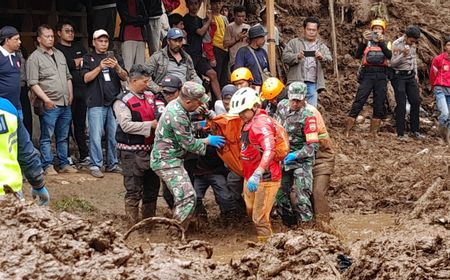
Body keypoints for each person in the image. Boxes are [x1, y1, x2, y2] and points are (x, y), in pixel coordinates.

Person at [150, 81, 226, 227]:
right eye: (198, 103)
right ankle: (177, 232)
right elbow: (189, 144)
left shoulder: (178, 106)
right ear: (188, 101)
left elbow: (186, 128)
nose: (199, 106)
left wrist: (202, 125)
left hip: (173, 159)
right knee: (187, 197)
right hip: (167, 161)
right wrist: (208, 141)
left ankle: (182, 226)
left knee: (183, 195)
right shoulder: (177, 114)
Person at [0, 27, 49, 205]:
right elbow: (27, 152)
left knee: (18, 142)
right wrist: (38, 183)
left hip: (13, 108)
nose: (20, 42)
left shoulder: (17, 58)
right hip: (9, 195)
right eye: (16, 39)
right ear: (6, 40)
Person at [229, 87, 281, 242]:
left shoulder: (261, 124)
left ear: (254, 106)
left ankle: (268, 250)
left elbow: (269, 149)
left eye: (244, 111)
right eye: (239, 112)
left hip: (265, 177)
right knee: (251, 210)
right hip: (250, 175)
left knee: (259, 217)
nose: (241, 115)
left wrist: (258, 172)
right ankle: (268, 236)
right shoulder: (247, 122)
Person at [27, 24, 78, 175]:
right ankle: (47, 165)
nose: (50, 39)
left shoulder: (59, 54)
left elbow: (68, 76)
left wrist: (71, 94)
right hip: (49, 103)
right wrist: (46, 100)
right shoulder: (34, 58)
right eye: (47, 36)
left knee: (63, 136)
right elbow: (33, 83)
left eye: (51, 36)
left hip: (64, 102)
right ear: (39, 39)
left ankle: (64, 163)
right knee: (46, 136)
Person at [113, 64, 160, 227]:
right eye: (144, 81)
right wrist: (150, 126)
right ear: (133, 81)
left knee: (152, 189)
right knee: (134, 189)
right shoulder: (122, 101)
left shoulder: (150, 96)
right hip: (130, 152)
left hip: (151, 150)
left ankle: (149, 225)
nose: (147, 84)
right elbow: (125, 125)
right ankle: (133, 225)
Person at [82, 29, 128, 178]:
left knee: (113, 135)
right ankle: (96, 164)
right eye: (100, 41)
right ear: (94, 42)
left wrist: (116, 67)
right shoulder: (88, 57)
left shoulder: (115, 57)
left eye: (105, 41)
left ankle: (112, 163)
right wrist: (100, 67)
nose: (103, 44)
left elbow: (125, 77)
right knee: (95, 135)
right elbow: (86, 78)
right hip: (96, 101)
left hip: (113, 101)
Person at [273, 82, 319, 226]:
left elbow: (313, 146)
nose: (295, 103)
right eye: (293, 99)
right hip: (283, 157)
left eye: (298, 100)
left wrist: (295, 155)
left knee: (301, 198)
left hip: (301, 159)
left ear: (304, 98)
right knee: (278, 196)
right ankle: (290, 226)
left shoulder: (308, 117)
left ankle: (308, 228)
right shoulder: (281, 106)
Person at [343, 19, 392, 138]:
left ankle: (373, 132)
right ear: (371, 30)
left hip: (381, 75)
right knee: (359, 100)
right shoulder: (367, 42)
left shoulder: (387, 42)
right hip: (367, 74)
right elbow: (357, 55)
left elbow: (389, 55)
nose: (377, 31)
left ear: (383, 31)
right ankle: (347, 129)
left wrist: (381, 42)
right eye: (375, 29)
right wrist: (364, 42)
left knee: (379, 102)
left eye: (379, 29)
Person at [55, 20, 90, 166]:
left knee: (80, 124)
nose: (70, 33)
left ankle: (84, 155)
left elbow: (87, 61)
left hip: (82, 89)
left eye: (72, 31)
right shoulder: (57, 49)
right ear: (59, 33)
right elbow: (65, 66)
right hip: (66, 91)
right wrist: (75, 63)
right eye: (67, 31)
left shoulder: (78, 46)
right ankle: (66, 156)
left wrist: (75, 63)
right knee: (65, 125)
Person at [282, 16, 332, 107]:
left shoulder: (321, 46)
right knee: (294, 106)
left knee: (311, 109)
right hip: (296, 81)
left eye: (314, 30)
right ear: (304, 29)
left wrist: (322, 57)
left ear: (317, 31)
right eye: (309, 29)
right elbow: (285, 57)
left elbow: (329, 60)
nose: (311, 32)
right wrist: (297, 56)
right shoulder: (294, 43)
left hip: (312, 82)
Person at [183, 0, 222, 100]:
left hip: (199, 56)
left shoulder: (199, 19)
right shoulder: (187, 19)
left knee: (212, 74)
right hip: (189, 55)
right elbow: (200, 32)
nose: (194, 6)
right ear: (187, 5)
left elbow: (209, 34)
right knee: (191, 80)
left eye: (196, 3)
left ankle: (220, 101)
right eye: (191, 4)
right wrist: (209, 20)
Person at [390, 25, 424, 140]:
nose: (412, 43)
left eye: (415, 41)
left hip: (411, 76)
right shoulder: (396, 44)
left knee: (415, 101)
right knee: (401, 104)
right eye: (411, 40)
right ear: (406, 36)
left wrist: (415, 74)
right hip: (399, 76)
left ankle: (415, 130)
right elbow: (393, 63)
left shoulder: (413, 44)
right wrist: (402, 54)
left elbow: (413, 59)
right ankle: (400, 133)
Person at [146, 28, 202, 94]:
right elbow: (145, 75)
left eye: (180, 41)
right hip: (166, 92)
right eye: (175, 41)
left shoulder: (187, 57)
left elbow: (193, 75)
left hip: (183, 92)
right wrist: (158, 89)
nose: (178, 44)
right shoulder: (158, 57)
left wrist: (196, 84)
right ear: (168, 41)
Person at [202, 0, 229, 88]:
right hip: (215, 49)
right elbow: (206, 39)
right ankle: (215, 101)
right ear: (211, 4)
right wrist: (211, 56)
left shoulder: (224, 18)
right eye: (215, 3)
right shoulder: (208, 18)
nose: (217, 6)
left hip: (224, 49)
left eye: (219, 3)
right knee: (216, 78)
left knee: (224, 79)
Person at [235, 24, 270, 90]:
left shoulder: (263, 52)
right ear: (255, 39)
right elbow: (238, 72)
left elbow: (267, 70)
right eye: (262, 38)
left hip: (264, 88)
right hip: (251, 88)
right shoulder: (243, 52)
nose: (264, 40)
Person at [117, 0, 148, 71]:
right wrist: (139, 19)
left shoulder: (139, 1)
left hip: (141, 36)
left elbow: (146, 19)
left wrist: (134, 21)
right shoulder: (121, 1)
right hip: (127, 36)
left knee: (140, 67)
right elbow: (126, 19)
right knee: (127, 66)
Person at [430, 36, 450, 143]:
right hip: (440, 88)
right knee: (445, 113)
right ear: (445, 46)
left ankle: (447, 137)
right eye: (448, 44)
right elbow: (433, 74)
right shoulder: (438, 59)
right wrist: (434, 85)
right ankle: (441, 135)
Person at [223, 5, 250, 72]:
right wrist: (237, 38)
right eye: (239, 16)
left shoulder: (248, 27)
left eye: (243, 16)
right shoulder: (230, 27)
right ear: (234, 15)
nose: (241, 18)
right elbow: (225, 44)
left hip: (247, 58)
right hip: (235, 59)